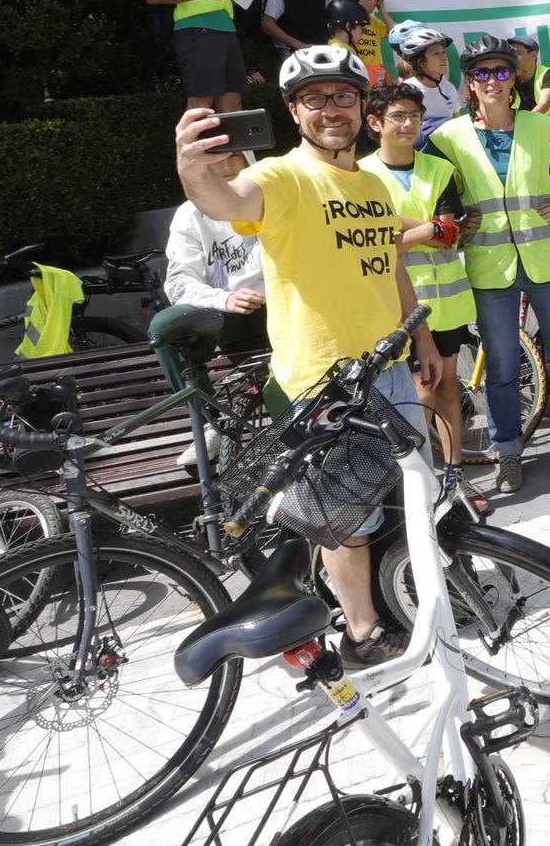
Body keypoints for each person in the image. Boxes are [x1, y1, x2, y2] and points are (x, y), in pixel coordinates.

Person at [174, 46, 445, 667]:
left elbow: (389, 264)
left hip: (390, 367)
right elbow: (228, 201)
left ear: (362, 110)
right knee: (342, 518)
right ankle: (362, 632)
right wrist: (193, 168)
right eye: (315, 99)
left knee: (413, 492)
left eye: (343, 97)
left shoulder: (374, 182)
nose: (331, 110)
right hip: (325, 379)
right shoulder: (282, 176)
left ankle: (424, 598)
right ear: (294, 112)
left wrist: (421, 337)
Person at [424, 37, 550, 491]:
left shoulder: (540, 126)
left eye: (502, 72)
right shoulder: (448, 137)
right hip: (490, 266)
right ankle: (507, 451)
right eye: (482, 74)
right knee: (504, 366)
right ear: (470, 83)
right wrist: (446, 222)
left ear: (514, 79)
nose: (493, 81)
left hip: (546, 260)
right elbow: (425, 184)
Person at [360, 84, 473, 481]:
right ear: (374, 123)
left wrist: (395, 232)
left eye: (414, 115)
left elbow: (449, 234)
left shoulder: (440, 169)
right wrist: (426, 228)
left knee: (445, 390)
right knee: (415, 396)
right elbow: (365, 244)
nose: (409, 124)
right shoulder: (359, 176)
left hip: (448, 302)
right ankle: (416, 483)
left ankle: (455, 477)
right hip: (390, 304)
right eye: (398, 116)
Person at [162, 151, 266, 351]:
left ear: (248, 158)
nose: (226, 167)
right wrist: (225, 299)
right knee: (165, 326)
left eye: (234, 156)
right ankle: (193, 384)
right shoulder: (189, 214)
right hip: (223, 313)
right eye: (216, 159)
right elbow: (179, 283)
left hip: (282, 305)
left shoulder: (275, 201)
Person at [393, 23, 461, 138]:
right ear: (420, 61)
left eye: (443, 52)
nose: (444, 57)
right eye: (436, 53)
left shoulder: (448, 87)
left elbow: (458, 123)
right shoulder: (407, 91)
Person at [509, 35, 550, 115]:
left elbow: (544, 105)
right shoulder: (510, 78)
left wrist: (524, 124)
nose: (513, 57)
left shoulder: (549, 74)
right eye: (511, 53)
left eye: (518, 53)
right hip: (532, 125)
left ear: (533, 55)